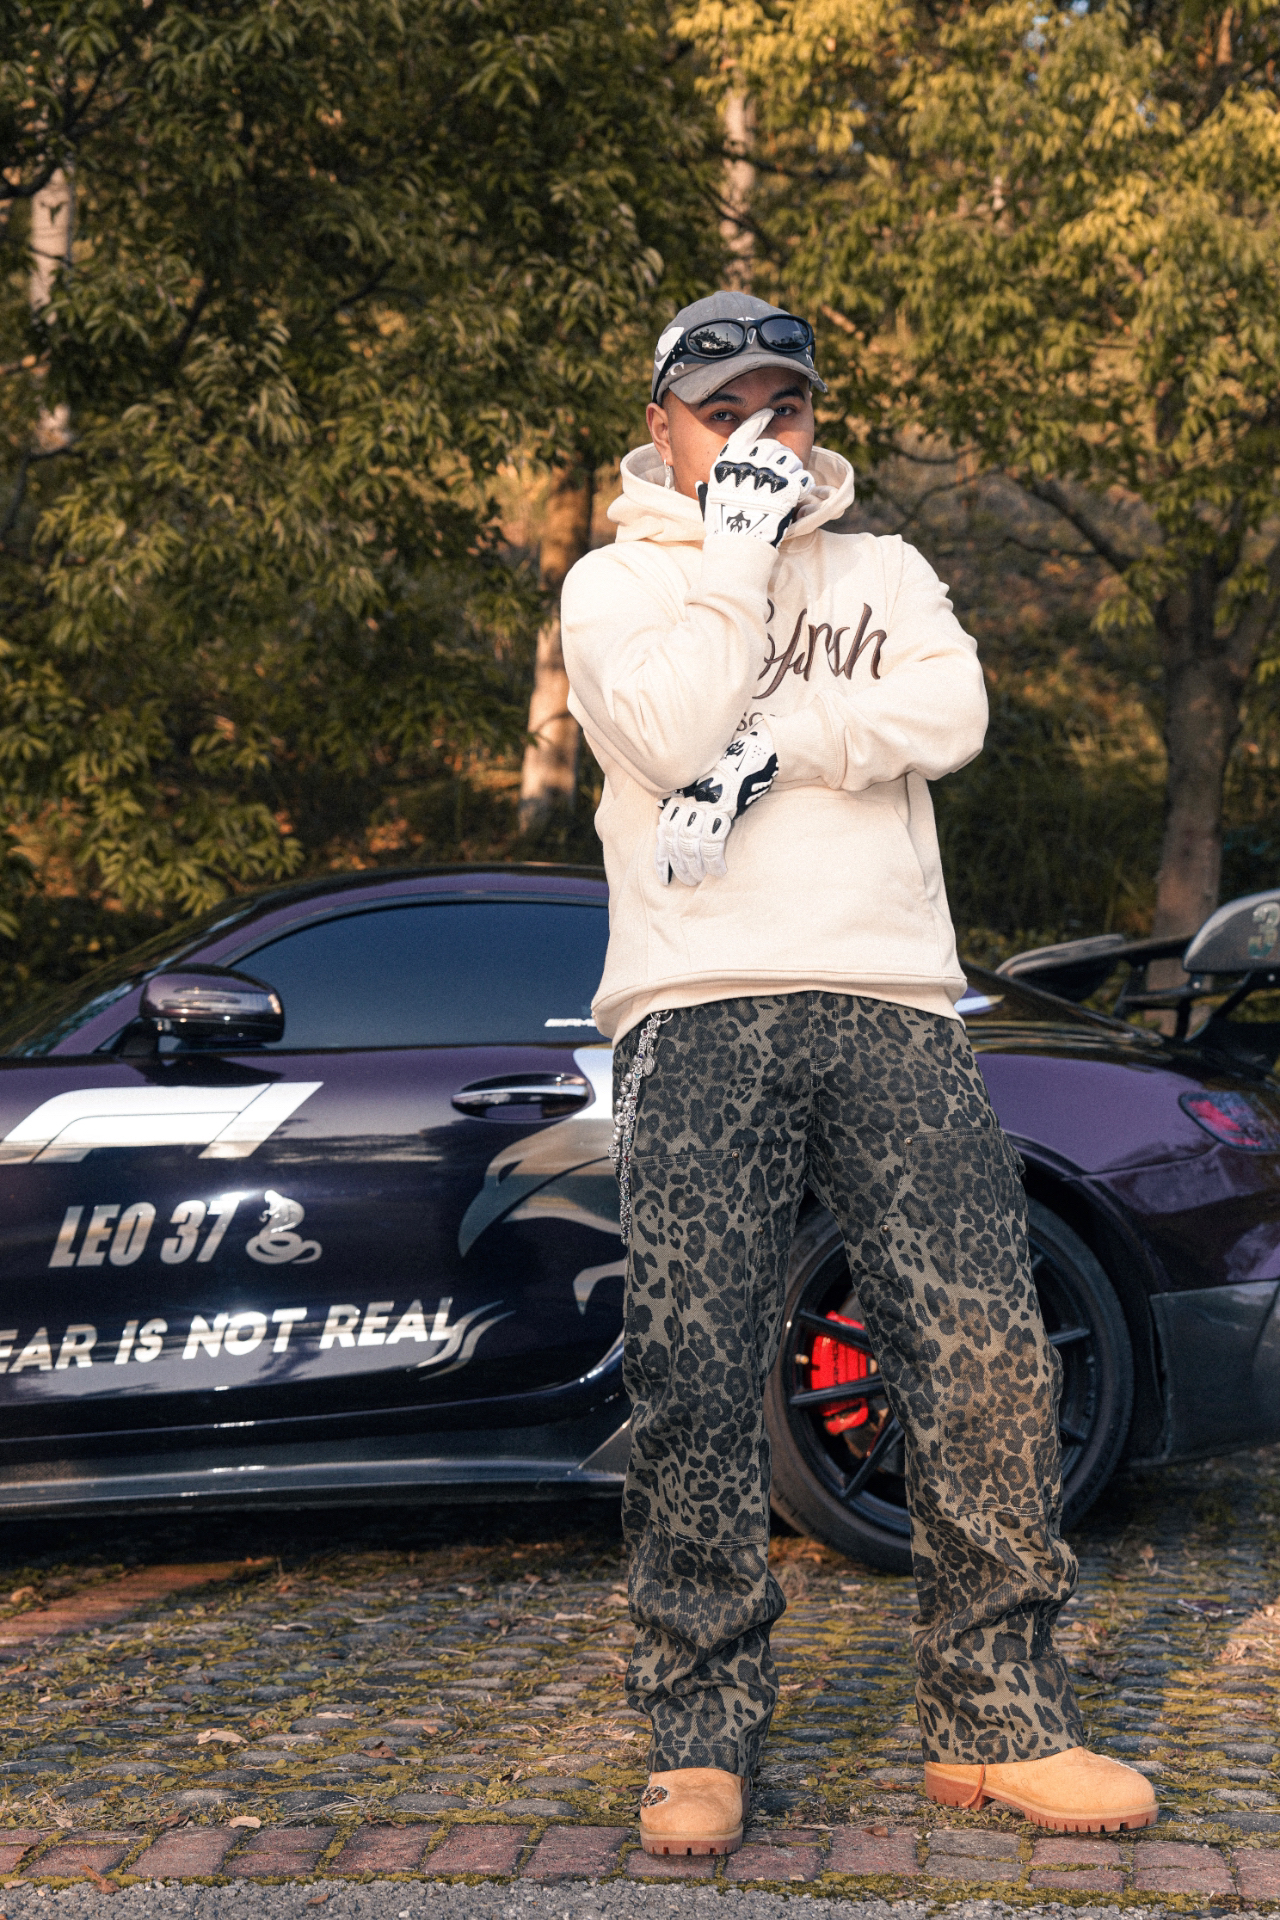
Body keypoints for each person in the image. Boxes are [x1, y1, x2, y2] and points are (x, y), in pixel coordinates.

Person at [560, 291, 1157, 1855]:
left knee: (983, 1353)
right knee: (694, 1371)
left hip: (892, 996)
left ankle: (999, 1723)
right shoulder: (617, 583)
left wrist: (779, 746)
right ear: (663, 423)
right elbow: (667, 731)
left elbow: (949, 711)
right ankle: (700, 1736)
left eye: (788, 407)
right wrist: (736, 562)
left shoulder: (885, 568)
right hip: (697, 1003)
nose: (761, 435)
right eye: (725, 410)